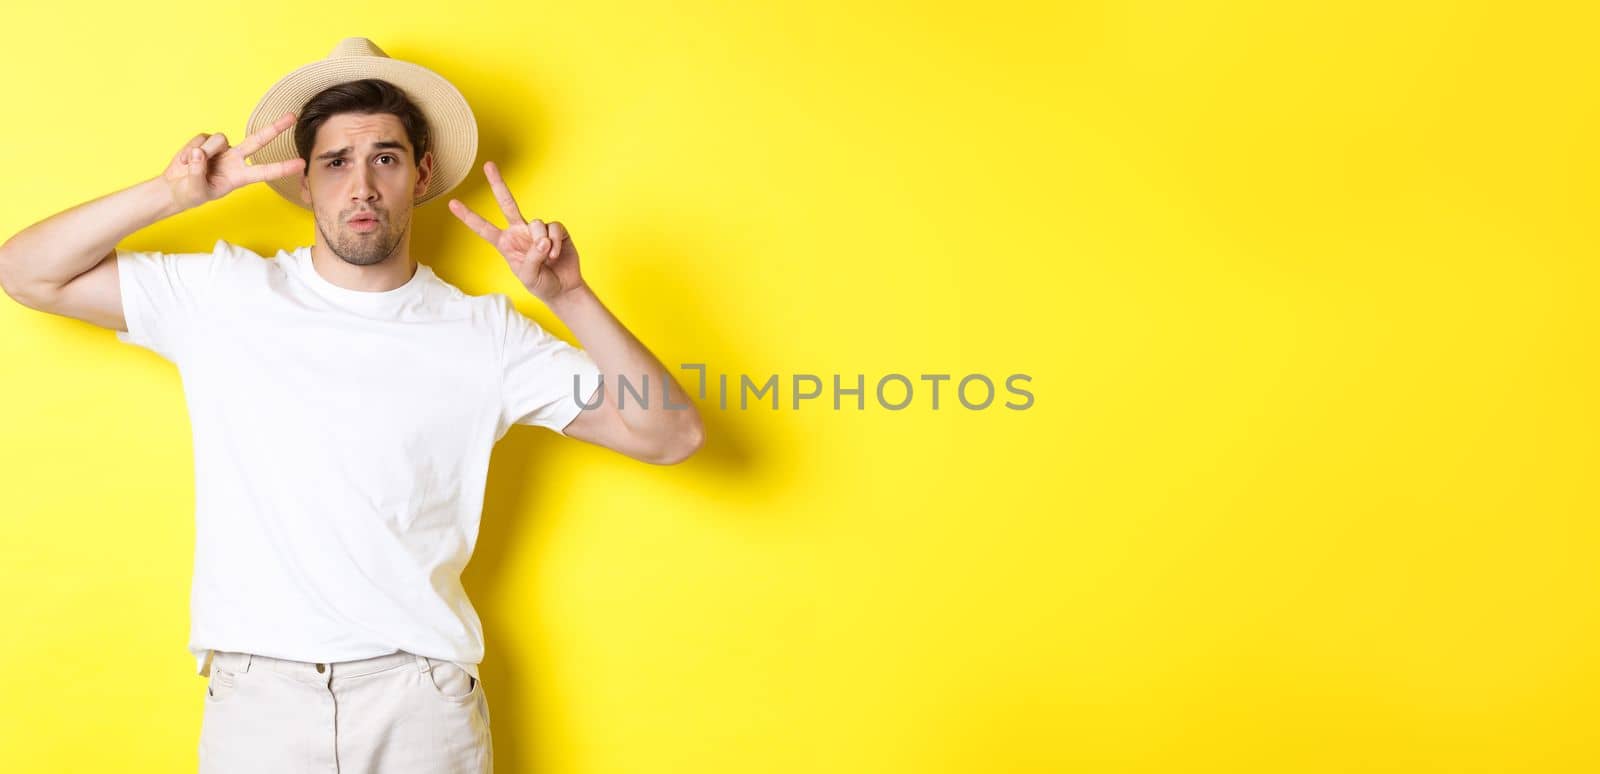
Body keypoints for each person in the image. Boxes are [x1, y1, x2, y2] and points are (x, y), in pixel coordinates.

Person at [0, 37, 703, 773]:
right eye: (336, 162)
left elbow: (671, 433)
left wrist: (571, 298)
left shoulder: (485, 334)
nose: (361, 186)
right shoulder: (224, 296)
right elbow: (26, 273)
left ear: (421, 174)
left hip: (420, 702)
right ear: (304, 180)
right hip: (258, 702)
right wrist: (172, 196)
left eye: (386, 158)